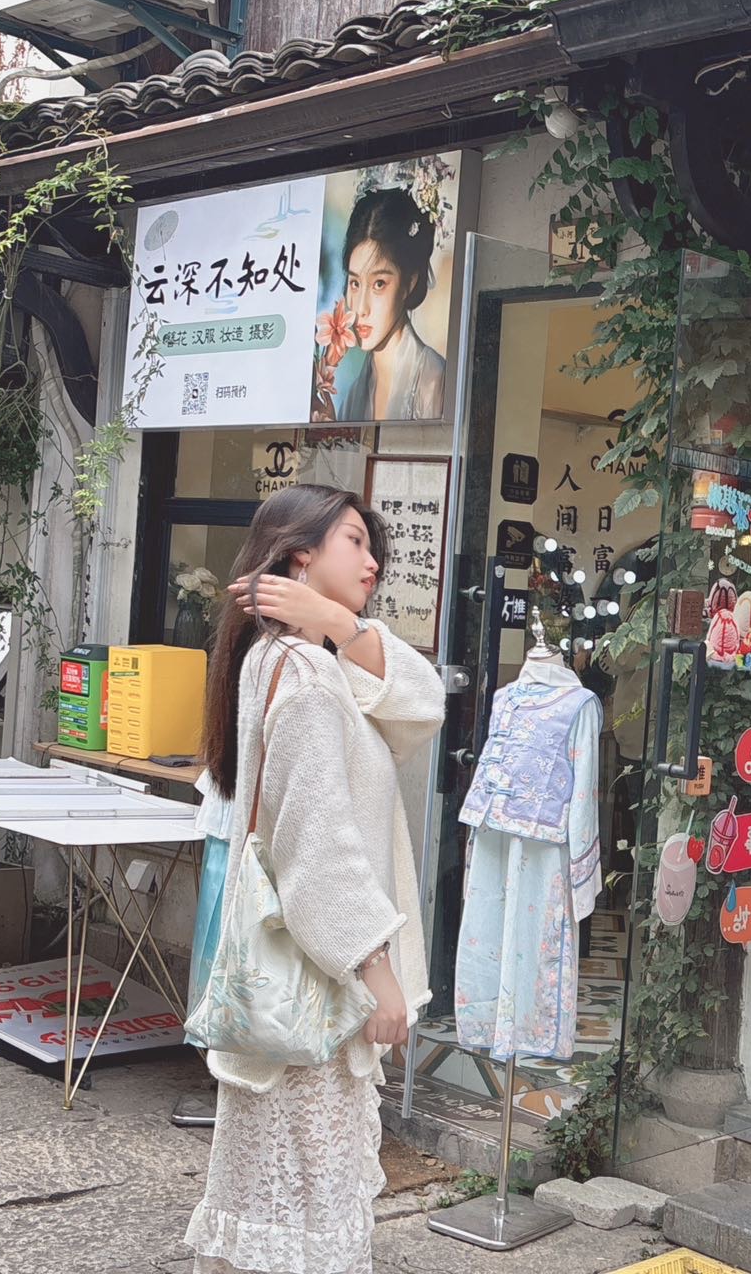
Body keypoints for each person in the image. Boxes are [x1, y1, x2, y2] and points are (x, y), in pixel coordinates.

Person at [185, 484, 445, 1274]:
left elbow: (423, 703)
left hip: (298, 975)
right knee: (306, 1209)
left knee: (274, 1204)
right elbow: (316, 844)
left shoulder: (295, 659)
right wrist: (376, 967)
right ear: (301, 551)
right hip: (321, 984)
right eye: (354, 542)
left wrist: (337, 622)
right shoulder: (303, 674)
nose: (372, 563)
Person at [337, 188, 446, 423]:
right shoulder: (354, 395)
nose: (361, 308)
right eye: (355, 283)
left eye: (379, 284)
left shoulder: (433, 379)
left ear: (409, 282)